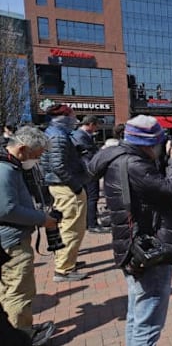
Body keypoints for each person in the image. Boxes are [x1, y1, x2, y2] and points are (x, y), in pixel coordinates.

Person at [87, 115, 172, 346]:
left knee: (137, 313)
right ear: (148, 143)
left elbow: (149, 188)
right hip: (148, 248)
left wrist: (165, 160)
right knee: (148, 321)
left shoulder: (119, 157)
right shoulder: (135, 165)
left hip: (131, 244)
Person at [0, 127, 58, 345]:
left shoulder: (10, 166)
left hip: (11, 237)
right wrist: (41, 218)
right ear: (22, 149)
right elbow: (7, 209)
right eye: (36, 155)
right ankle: (21, 334)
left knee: (10, 290)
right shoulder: (5, 170)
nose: (37, 160)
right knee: (19, 291)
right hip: (12, 241)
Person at [39, 104, 89, 282]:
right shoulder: (58, 136)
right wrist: (75, 185)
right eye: (72, 116)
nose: (75, 120)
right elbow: (58, 165)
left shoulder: (55, 133)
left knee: (68, 226)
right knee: (72, 227)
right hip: (65, 186)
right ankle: (64, 269)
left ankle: (67, 262)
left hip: (61, 185)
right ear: (63, 118)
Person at [71, 115, 107, 234]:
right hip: (88, 171)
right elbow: (87, 155)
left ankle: (88, 222)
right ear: (91, 124)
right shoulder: (80, 136)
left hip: (84, 171)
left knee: (88, 198)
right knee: (92, 197)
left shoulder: (80, 135)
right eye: (96, 126)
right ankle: (92, 224)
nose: (96, 129)